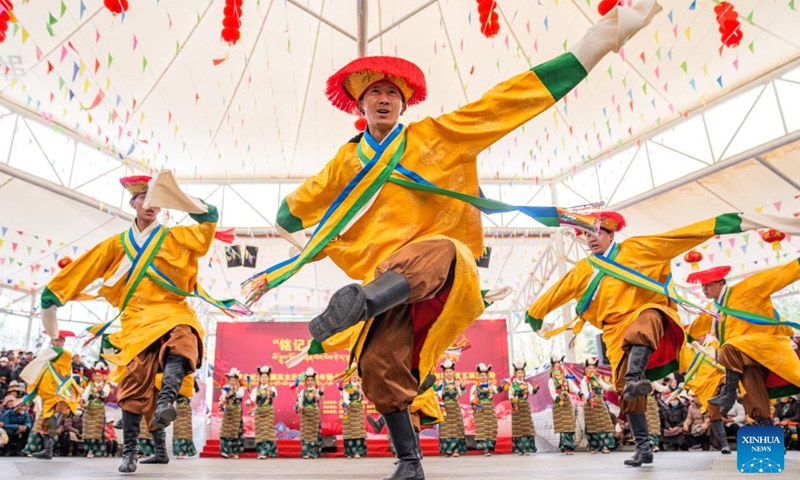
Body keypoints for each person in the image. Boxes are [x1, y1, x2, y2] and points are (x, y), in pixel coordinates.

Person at [243, 2, 663, 478]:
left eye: (392, 92)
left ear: (404, 104)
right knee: (377, 365)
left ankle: (360, 304)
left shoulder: (437, 136)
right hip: (385, 286)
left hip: (443, 266)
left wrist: (598, 42)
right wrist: (303, 239)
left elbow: (505, 103)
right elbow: (291, 211)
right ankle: (409, 462)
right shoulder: (343, 164)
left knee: (432, 250)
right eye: (374, 92)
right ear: (359, 106)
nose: (383, 98)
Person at [526, 210, 800, 466]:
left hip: (744, 345)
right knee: (627, 392)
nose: (590, 239)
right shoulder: (584, 269)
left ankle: (651, 380)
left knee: (651, 316)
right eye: (586, 235)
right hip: (615, 334)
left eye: (596, 232)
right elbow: (557, 291)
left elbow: (678, 237)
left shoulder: (637, 249)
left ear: (611, 234)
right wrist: (535, 316)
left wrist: (730, 222)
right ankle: (644, 447)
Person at [39, 173, 246, 473]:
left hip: (173, 309)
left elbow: (208, 221)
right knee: (135, 382)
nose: (150, 205)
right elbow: (86, 268)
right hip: (136, 318)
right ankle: (130, 452)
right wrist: (55, 293)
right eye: (143, 199)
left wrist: (181, 198)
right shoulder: (116, 244)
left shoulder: (176, 237)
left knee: (185, 338)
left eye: (156, 200)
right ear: (132, 203)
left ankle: (166, 401)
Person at [701, 259, 800, 429]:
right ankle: (769, 435)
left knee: (729, 347)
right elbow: (699, 325)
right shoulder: (714, 308)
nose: (704, 289)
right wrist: (686, 337)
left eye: (708, 285)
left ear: (720, 283)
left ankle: (728, 395)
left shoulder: (747, 288)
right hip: (745, 356)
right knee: (752, 396)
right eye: (702, 286)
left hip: (764, 345)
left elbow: (778, 275)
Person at [19, 330, 81, 460]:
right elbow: (38, 380)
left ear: (63, 342)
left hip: (62, 394)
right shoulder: (46, 363)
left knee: (57, 415)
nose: (57, 342)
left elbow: (56, 351)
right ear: (52, 341)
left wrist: (51, 333)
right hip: (48, 398)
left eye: (60, 340)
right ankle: (48, 451)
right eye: (55, 340)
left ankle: (50, 442)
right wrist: (29, 396)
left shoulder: (64, 354)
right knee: (46, 425)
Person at [580, 358, 615, 454]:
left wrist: (615, 385)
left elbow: (606, 387)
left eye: (593, 368)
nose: (591, 370)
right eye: (589, 368)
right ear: (586, 369)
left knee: (605, 424)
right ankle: (593, 446)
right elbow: (585, 392)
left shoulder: (598, 379)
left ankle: (605, 446)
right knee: (593, 425)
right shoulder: (584, 380)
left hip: (600, 403)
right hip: (590, 405)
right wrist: (590, 397)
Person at [548, 356, 580, 455]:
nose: (558, 367)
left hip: (567, 403)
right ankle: (567, 447)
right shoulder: (551, 380)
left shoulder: (566, 379)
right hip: (559, 403)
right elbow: (552, 392)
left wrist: (580, 393)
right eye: (556, 365)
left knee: (569, 425)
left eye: (559, 365)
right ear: (553, 367)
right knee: (564, 426)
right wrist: (558, 397)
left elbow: (574, 388)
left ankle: (566, 445)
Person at [435, 360, 466, 457]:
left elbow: (461, 394)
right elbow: (437, 395)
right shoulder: (441, 384)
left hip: (455, 409)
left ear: (453, 372)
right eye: (447, 372)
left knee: (456, 429)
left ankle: (456, 450)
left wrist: (462, 386)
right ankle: (447, 450)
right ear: (444, 374)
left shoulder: (456, 383)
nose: (449, 374)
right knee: (446, 429)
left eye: (450, 372)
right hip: (445, 410)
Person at [470, 363, 502, 456]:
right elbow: (472, 399)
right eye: (481, 375)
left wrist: (503, 386)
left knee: (491, 427)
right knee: (481, 427)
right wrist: (478, 407)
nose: (483, 377)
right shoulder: (475, 387)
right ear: (478, 376)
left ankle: (490, 446)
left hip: (489, 408)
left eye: (485, 375)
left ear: (487, 376)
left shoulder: (491, 386)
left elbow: (498, 391)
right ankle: (485, 448)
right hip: (479, 407)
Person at [247, 366, 278, 459]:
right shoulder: (256, 389)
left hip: (268, 411)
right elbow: (252, 399)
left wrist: (271, 393)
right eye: (262, 377)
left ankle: (264, 452)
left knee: (266, 431)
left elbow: (275, 395)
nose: (264, 379)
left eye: (265, 377)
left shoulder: (271, 388)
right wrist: (249, 401)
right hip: (259, 412)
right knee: (260, 432)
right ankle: (266, 451)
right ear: (259, 378)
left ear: (268, 378)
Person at [82, 362, 111, 458]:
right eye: (96, 376)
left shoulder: (105, 386)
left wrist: (99, 390)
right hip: (89, 410)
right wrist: (84, 401)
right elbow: (85, 397)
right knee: (88, 431)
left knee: (96, 431)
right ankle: (88, 450)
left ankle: (94, 451)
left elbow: (105, 395)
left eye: (99, 376)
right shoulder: (89, 386)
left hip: (99, 411)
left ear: (103, 377)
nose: (98, 377)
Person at [509, 361, 537, 455]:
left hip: (525, 407)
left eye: (521, 373)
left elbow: (532, 392)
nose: (520, 374)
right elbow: (510, 396)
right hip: (516, 408)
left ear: (524, 374)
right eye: (518, 373)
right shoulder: (512, 385)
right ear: (515, 374)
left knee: (527, 428)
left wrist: (535, 389)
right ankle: (519, 449)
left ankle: (527, 449)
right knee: (518, 428)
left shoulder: (526, 384)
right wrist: (514, 402)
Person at [296, 368, 324, 459]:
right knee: (305, 433)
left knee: (313, 433)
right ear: (306, 382)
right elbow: (299, 401)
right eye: (308, 380)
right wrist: (299, 406)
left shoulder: (316, 391)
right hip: (305, 415)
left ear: (314, 381)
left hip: (314, 415)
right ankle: (306, 453)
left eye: (312, 380)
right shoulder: (302, 391)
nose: (310, 382)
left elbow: (320, 398)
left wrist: (321, 392)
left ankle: (313, 453)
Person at [219, 368, 245, 459]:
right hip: (228, 412)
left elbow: (240, 395)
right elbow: (223, 398)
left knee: (235, 433)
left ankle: (235, 452)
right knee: (225, 432)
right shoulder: (225, 387)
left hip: (236, 413)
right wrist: (226, 394)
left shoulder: (240, 388)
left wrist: (232, 392)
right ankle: (224, 451)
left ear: (237, 380)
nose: (232, 382)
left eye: (234, 380)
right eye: (231, 380)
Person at [341, 371, 367, 459]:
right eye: (353, 375)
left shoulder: (360, 386)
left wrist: (362, 391)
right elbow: (345, 399)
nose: (355, 377)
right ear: (350, 377)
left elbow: (364, 396)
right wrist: (346, 404)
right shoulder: (347, 386)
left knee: (358, 431)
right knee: (349, 431)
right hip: (350, 410)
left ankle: (358, 452)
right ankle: (350, 452)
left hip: (358, 410)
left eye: (356, 375)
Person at [172, 380, 199, 459]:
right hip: (179, 408)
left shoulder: (189, 380)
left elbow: (196, 389)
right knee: (178, 431)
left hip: (186, 408)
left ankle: (181, 452)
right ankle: (179, 452)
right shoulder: (176, 380)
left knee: (185, 431)